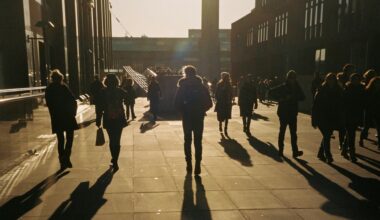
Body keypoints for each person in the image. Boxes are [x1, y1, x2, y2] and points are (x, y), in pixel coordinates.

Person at [174, 66, 212, 175]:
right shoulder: (201, 86)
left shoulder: (182, 86)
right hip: (199, 117)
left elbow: (176, 103)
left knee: (187, 140)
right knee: (198, 141)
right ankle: (198, 165)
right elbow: (209, 103)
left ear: (185, 73)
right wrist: (201, 110)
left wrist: (183, 111)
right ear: (195, 73)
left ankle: (189, 163)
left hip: (187, 117)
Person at [45, 69, 79, 170]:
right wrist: (73, 112)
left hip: (56, 117)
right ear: (61, 78)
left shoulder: (49, 89)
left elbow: (48, 103)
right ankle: (66, 157)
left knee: (60, 139)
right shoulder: (63, 87)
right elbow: (73, 99)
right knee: (70, 138)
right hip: (67, 116)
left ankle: (62, 160)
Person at [269, 70, 305, 158]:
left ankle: (295, 151)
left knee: (293, 133)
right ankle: (281, 150)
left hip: (292, 112)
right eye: (291, 78)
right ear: (288, 79)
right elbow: (270, 92)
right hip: (283, 112)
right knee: (282, 132)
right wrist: (282, 98)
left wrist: (294, 97)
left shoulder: (297, 87)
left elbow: (303, 97)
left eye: (293, 78)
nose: (292, 80)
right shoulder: (283, 87)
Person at [97, 74, 127, 171]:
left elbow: (99, 107)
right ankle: (115, 160)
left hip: (108, 118)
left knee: (111, 139)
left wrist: (98, 119)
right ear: (116, 81)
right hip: (119, 118)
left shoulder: (102, 92)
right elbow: (128, 95)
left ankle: (114, 158)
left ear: (106, 82)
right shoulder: (119, 91)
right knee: (117, 140)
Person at [312, 73, 343, 163]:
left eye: (333, 79)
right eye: (329, 79)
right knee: (326, 135)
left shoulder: (338, 90)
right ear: (326, 80)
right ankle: (328, 155)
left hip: (332, 117)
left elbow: (341, 104)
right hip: (322, 117)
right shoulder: (321, 90)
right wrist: (314, 120)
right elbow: (315, 106)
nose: (331, 81)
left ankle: (320, 153)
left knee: (327, 135)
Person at [341, 73, 365, 162]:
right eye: (354, 80)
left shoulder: (362, 89)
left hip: (357, 114)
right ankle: (352, 154)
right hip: (349, 114)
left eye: (357, 80)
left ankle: (344, 149)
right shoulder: (347, 89)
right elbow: (343, 102)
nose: (356, 81)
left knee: (350, 133)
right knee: (352, 134)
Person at [360, 69, 377, 146]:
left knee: (366, 125)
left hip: (367, 107)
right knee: (376, 125)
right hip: (374, 107)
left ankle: (361, 139)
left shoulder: (364, 85)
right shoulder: (375, 84)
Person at [365, 77, 380, 150]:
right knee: (366, 127)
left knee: (379, 128)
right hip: (370, 111)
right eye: (376, 83)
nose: (378, 84)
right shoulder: (368, 90)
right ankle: (362, 138)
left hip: (378, 111)